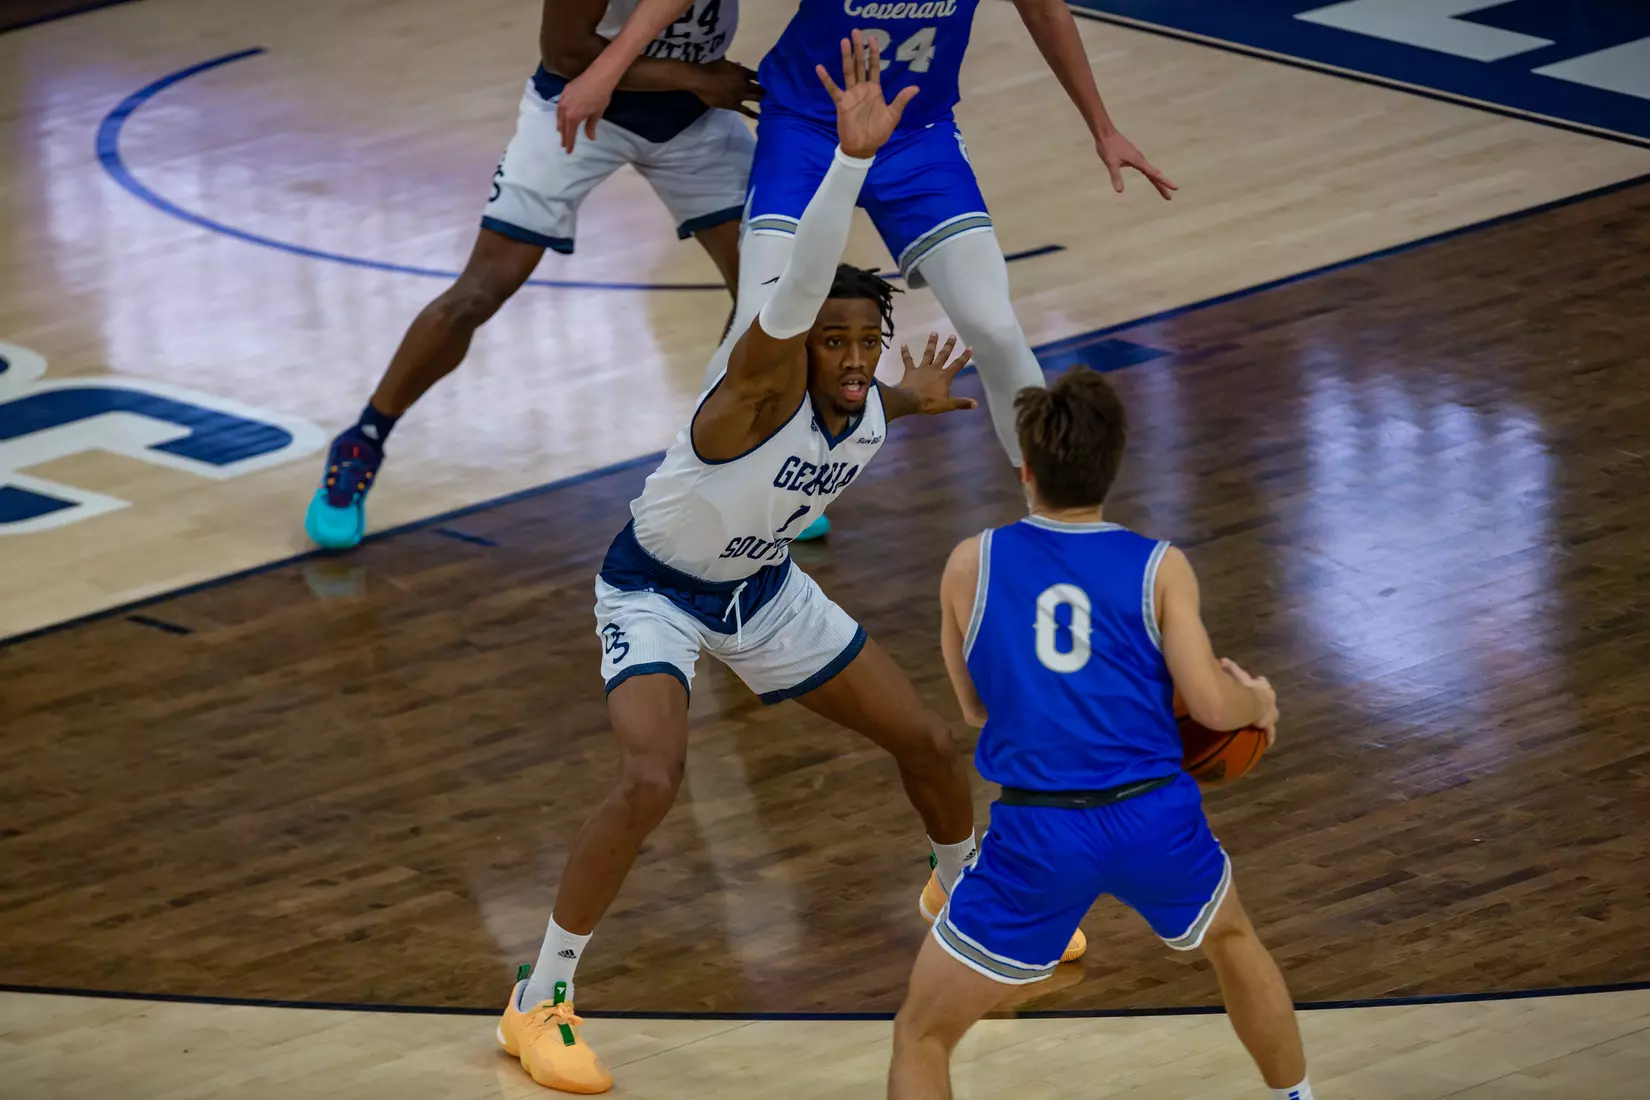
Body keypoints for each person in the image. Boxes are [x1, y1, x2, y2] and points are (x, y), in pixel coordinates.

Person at [498, 35, 990, 1094]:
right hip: (657, 591)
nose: (855, 358)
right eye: (835, 342)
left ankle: (963, 900)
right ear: (794, 344)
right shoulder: (751, 394)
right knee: (649, 777)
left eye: (869, 342)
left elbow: (873, 400)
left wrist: (918, 397)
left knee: (935, 745)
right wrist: (849, 164)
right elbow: (802, 283)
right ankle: (538, 998)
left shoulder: (863, 402)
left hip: (762, 592)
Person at [549, 0, 1176, 543]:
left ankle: (1054, 519)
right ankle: (694, 498)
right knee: (757, 325)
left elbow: (1044, 10)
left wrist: (1104, 127)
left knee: (994, 324)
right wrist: (606, 70)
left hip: (917, 136)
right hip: (805, 126)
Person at [887, 367, 1315, 1100]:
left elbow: (975, 709)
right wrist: (1258, 705)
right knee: (1233, 942)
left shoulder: (971, 564)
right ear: (1113, 465)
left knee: (922, 1034)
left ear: (1026, 470)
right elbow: (1212, 707)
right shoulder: (1160, 567)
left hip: (1039, 831)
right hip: (1153, 815)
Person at [303, 0, 762, 549]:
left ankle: (746, 462)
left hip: (693, 115)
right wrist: (693, 74)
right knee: (479, 293)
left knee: (767, 293)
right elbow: (567, 54)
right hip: (581, 105)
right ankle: (363, 440)